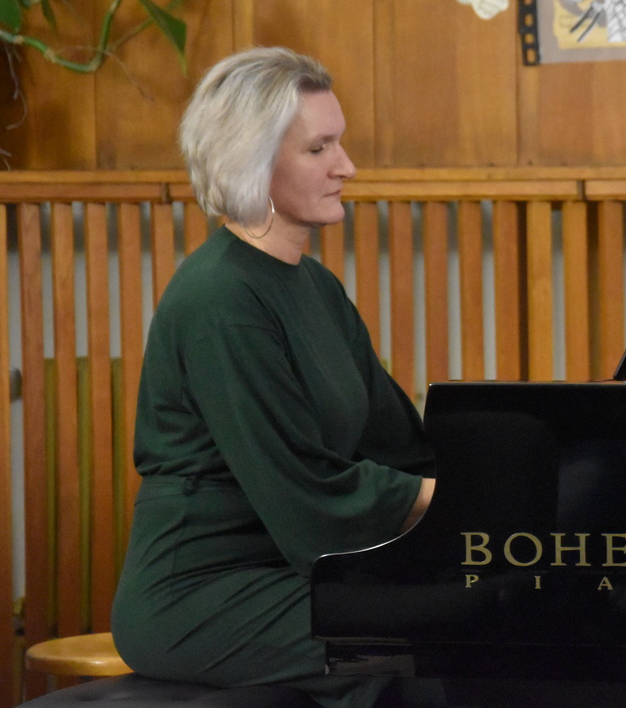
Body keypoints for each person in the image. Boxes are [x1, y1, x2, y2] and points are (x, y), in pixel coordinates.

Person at [111, 47, 440, 708]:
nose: (346, 166)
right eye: (319, 148)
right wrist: (460, 503)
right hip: (200, 593)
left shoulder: (316, 285)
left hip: (284, 569)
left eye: (339, 143)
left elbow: (397, 445)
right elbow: (305, 491)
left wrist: (505, 491)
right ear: (251, 161)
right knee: (423, 646)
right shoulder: (220, 300)